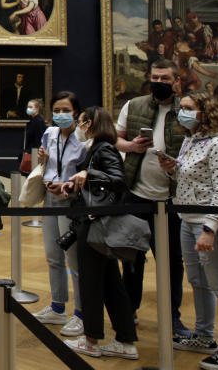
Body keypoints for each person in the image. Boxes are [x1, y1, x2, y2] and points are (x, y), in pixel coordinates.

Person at [160, 91, 218, 370]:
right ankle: (204, 335)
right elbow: (195, 178)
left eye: (188, 107)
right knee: (198, 281)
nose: (182, 112)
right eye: (181, 107)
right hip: (188, 218)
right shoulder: (190, 140)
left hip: (213, 223)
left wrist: (210, 229)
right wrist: (173, 169)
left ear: (205, 112)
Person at [114, 58, 192, 337]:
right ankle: (130, 310)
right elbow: (116, 139)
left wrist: (177, 167)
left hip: (172, 198)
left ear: (177, 81)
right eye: (155, 78)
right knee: (132, 257)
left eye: (165, 79)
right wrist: (131, 146)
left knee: (172, 260)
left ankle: (172, 316)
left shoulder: (186, 109)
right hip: (136, 193)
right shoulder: (133, 105)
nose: (159, 83)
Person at [61, 106, 139, 360]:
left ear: (91, 123)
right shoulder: (96, 148)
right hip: (96, 222)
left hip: (96, 224)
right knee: (110, 283)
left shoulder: (103, 149)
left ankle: (92, 339)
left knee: (92, 283)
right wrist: (72, 184)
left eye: (81, 121)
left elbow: (118, 181)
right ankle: (126, 340)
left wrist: (88, 173)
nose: (78, 126)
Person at [31, 91, 86, 337]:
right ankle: (57, 306)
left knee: (74, 260)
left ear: (76, 112)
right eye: (56, 111)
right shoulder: (49, 133)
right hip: (50, 197)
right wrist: (43, 163)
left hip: (72, 201)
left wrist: (68, 186)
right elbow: (48, 164)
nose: (61, 115)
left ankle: (82, 314)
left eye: (66, 110)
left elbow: (84, 171)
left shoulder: (83, 138)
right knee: (53, 255)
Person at [22, 98, 47, 173]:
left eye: (30, 107)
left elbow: (39, 139)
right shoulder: (33, 121)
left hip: (34, 154)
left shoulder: (38, 121)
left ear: (37, 108)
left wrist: (32, 153)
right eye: (27, 107)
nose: (28, 109)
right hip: (31, 152)